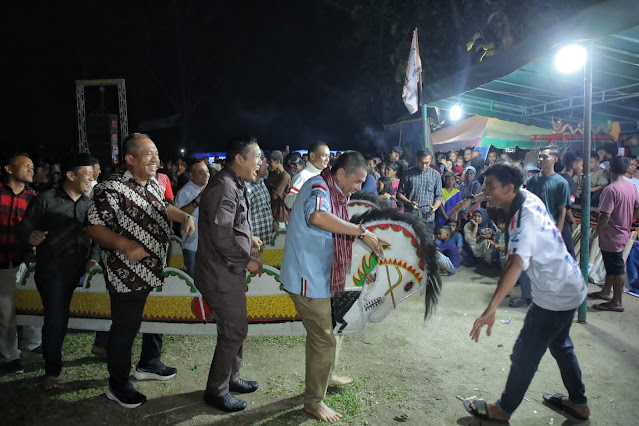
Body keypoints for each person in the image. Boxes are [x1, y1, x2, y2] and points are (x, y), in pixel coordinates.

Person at [461, 163, 589, 423]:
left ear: (509, 188)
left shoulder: (525, 217)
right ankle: (578, 403)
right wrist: (474, 198)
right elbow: (489, 196)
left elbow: (515, 263)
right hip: (570, 285)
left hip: (554, 295)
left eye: (491, 188)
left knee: (525, 353)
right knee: (561, 344)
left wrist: (491, 308)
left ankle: (503, 409)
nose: (486, 192)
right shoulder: (524, 195)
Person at [85, 133, 195, 409]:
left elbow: (162, 207)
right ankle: (118, 385)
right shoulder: (111, 187)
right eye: (148, 153)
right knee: (125, 328)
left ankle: (149, 363)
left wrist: (184, 216)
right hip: (127, 272)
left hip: (154, 268)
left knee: (153, 314)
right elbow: (94, 226)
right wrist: (125, 245)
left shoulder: (154, 183)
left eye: (156, 152)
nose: (155, 158)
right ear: (130, 159)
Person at [280, 151, 389, 422]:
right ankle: (313, 403)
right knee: (323, 339)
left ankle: (326, 376)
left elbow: (338, 232)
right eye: (358, 181)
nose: (359, 188)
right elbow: (317, 217)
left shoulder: (336, 192)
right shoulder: (318, 186)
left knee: (332, 333)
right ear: (341, 174)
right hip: (308, 277)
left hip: (321, 275)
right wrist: (362, 232)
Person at [195, 138, 264, 413]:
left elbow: (231, 226)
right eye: (256, 156)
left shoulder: (234, 182)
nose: (260, 162)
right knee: (234, 330)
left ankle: (231, 379)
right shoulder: (225, 186)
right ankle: (216, 391)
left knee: (235, 329)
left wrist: (250, 238)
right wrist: (248, 261)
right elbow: (221, 237)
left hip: (226, 271)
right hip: (219, 273)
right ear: (239, 159)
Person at [19, 153, 98, 390]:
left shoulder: (89, 203)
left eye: (93, 176)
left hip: (83, 271)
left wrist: (93, 260)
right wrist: (29, 237)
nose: (91, 180)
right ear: (71, 175)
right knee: (56, 319)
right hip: (53, 272)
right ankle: (52, 370)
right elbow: (23, 228)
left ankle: (102, 347)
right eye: (88, 175)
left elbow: (96, 235)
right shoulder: (46, 200)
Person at [511, 146, 573, 308]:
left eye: (544, 157)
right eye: (539, 157)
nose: (540, 160)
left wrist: (557, 234)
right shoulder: (531, 181)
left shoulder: (561, 183)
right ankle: (526, 296)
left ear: (555, 159)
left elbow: (562, 211)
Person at [0, 153, 39, 375]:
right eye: (26, 166)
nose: (31, 170)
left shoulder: (32, 198)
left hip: (24, 260)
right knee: (6, 313)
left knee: (28, 303)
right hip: (2, 262)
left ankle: (30, 344)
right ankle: (10, 358)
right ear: (8, 168)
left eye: (33, 167)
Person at [589, 156, 639, 313]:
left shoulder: (610, 190)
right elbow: (637, 207)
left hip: (612, 234)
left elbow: (605, 215)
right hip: (622, 231)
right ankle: (605, 292)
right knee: (611, 265)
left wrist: (596, 232)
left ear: (610, 168)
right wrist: (627, 219)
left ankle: (616, 301)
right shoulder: (631, 187)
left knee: (617, 268)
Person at [174, 160, 210, 277]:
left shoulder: (210, 189)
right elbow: (179, 214)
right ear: (191, 175)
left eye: (207, 171)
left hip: (210, 246)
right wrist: (198, 199)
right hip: (193, 246)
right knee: (196, 283)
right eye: (201, 172)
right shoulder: (184, 192)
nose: (206, 175)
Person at [396, 149, 443, 236]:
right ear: (416, 159)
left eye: (427, 163)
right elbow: (399, 194)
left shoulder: (436, 175)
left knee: (426, 245)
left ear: (431, 161)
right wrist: (410, 203)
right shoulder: (407, 173)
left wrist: (435, 207)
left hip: (428, 218)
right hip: (411, 217)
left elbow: (439, 196)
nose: (424, 166)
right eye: (421, 162)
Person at [247, 152, 277, 258]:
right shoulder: (246, 187)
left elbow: (265, 207)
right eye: (265, 163)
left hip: (265, 240)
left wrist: (273, 223)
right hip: (254, 244)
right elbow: (241, 218)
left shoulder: (261, 182)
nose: (267, 165)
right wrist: (250, 239)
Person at [284, 141, 330, 209]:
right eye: (323, 155)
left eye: (328, 156)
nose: (327, 159)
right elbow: (288, 202)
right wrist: (307, 191)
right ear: (312, 156)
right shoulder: (303, 176)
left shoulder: (326, 176)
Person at [265, 150, 291, 226]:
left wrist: (268, 190)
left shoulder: (285, 176)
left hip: (281, 216)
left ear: (277, 162)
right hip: (272, 214)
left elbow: (274, 196)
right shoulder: (272, 174)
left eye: (271, 162)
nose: (269, 164)